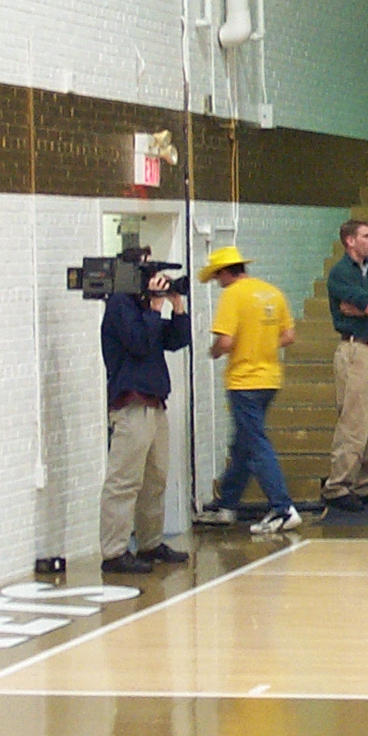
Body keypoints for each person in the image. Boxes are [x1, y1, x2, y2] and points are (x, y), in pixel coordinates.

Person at [98, 249, 193, 572]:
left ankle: (150, 544)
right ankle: (114, 552)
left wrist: (177, 306)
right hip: (131, 403)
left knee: (156, 478)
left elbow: (176, 340)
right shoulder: (119, 305)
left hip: (154, 403)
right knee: (124, 481)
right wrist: (154, 307)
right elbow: (138, 343)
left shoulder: (142, 307)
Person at [196, 245, 302, 533]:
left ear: (225, 272)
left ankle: (282, 508)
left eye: (217, 276)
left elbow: (226, 342)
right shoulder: (271, 292)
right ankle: (227, 505)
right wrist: (263, 345)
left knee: (255, 443)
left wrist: (214, 351)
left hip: (244, 381)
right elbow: (289, 336)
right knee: (243, 445)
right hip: (270, 378)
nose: (218, 282)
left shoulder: (232, 295)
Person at [322, 220, 368, 513]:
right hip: (355, 349)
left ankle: (367, 483)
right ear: (350, 241)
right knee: (354, 422)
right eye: (365, 236)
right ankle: (338, 486)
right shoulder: (340, 273)